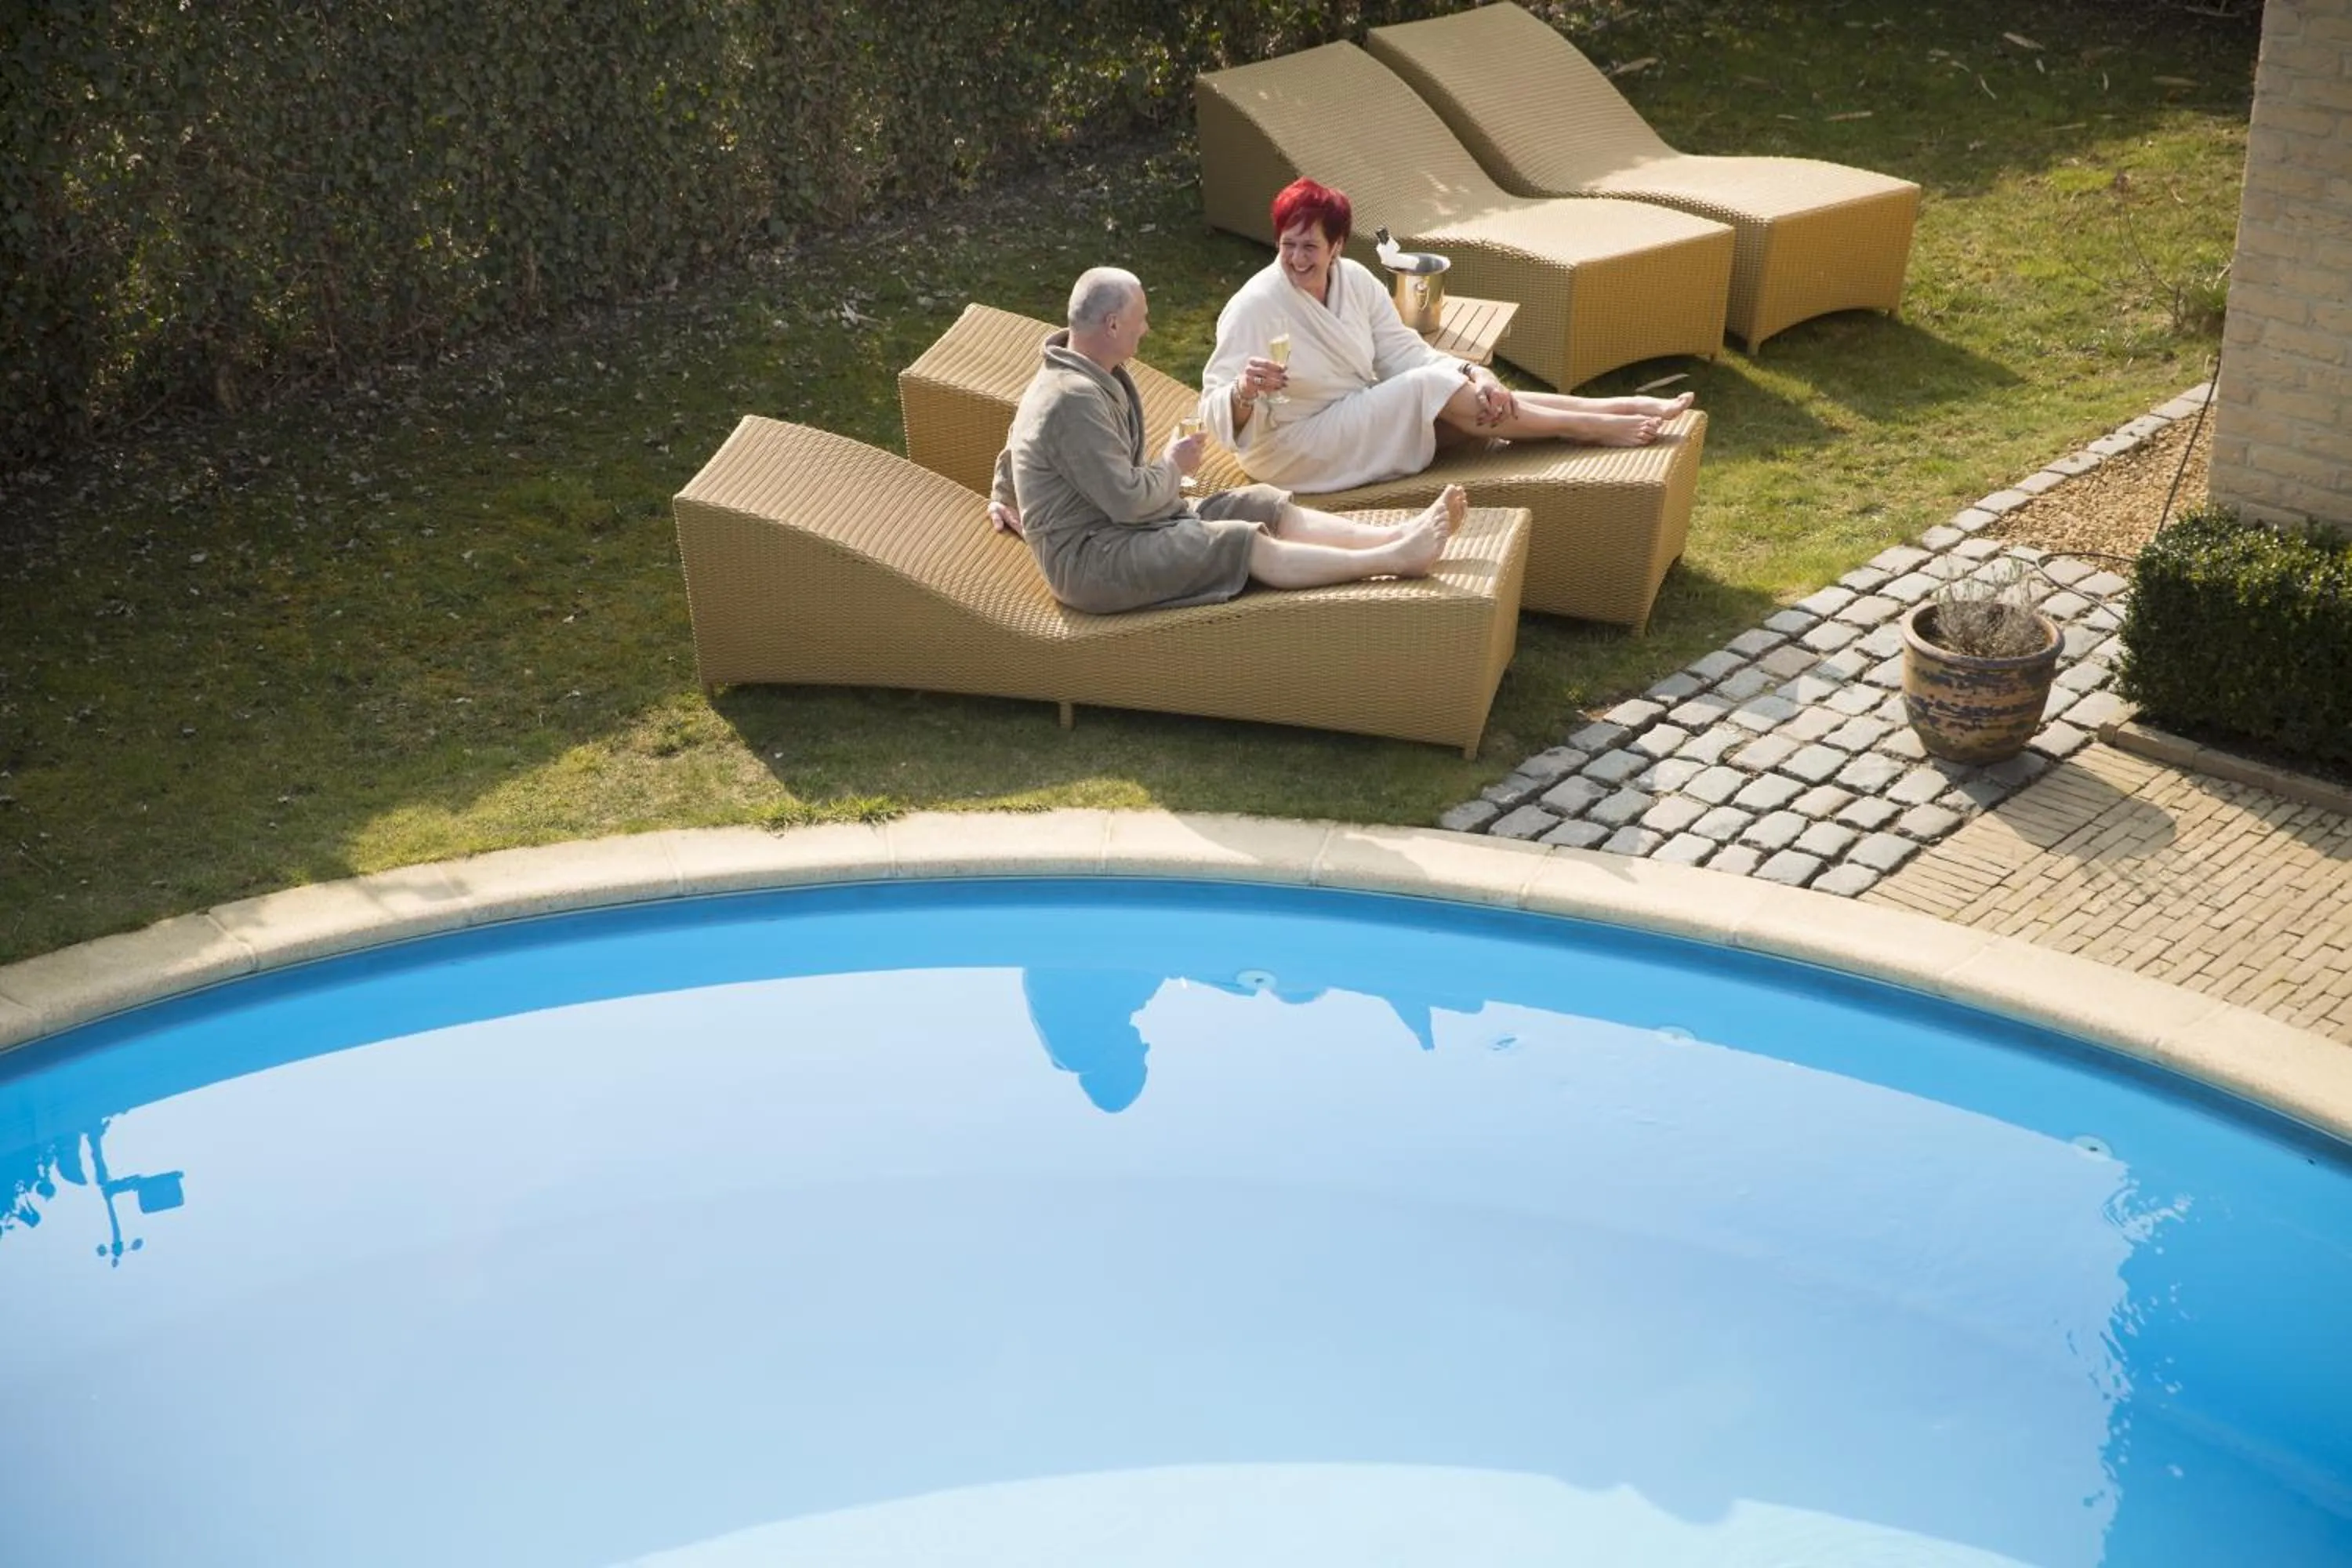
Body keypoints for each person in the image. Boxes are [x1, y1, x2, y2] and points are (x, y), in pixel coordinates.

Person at [988, 266, 1465, 615]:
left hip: (1127, 530)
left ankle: (1395, 535)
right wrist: (1174, 465)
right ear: (1112, 325)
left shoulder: (1068, 371)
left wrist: (1002, 491)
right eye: (1142, 317)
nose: (1148, 327)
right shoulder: (1071, 399)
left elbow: (1020, 441)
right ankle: (1393, 559)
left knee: (1256, 503)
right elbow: (1129, 502)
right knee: (1241, 542)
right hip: (1094, 560)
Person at [1200, 178, 1698, 493]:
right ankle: (1587, 429)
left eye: (1310, 245)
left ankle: (1611, 408)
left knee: (1459, 404)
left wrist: (1474, 372)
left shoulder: (1354, 281)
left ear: (1337, 246)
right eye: (1288, 245)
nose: (1297, 259)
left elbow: (1403, 352)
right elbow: (1212, 409)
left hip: (1350, 420)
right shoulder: (1256, 304)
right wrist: (1243, 392)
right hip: (1291, 447)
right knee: (1427, 393)